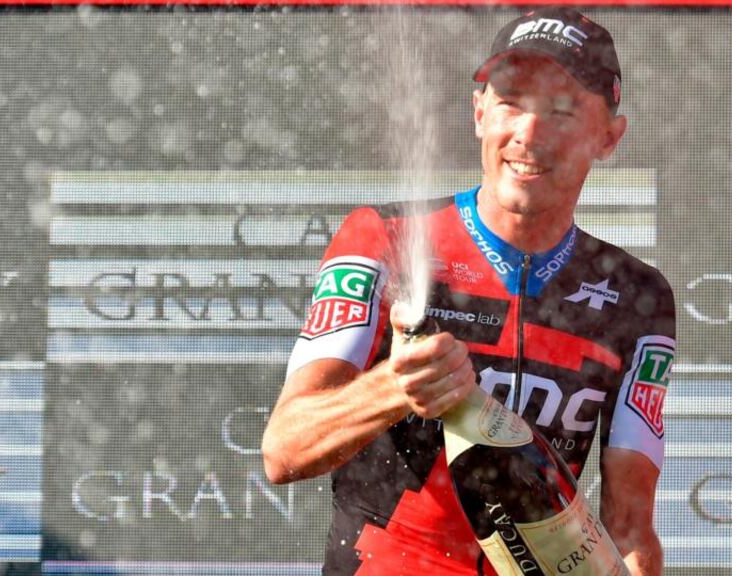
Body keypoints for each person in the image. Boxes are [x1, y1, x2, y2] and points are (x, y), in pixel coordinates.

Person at [262, 8, 675, 576]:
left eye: (562, 110)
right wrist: (395, 387)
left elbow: (630, 529)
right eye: (511, 102)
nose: (528, 133)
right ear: (479, 111)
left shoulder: (637, 296)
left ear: (609, 136)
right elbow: (284, 449)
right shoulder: (382, 239)